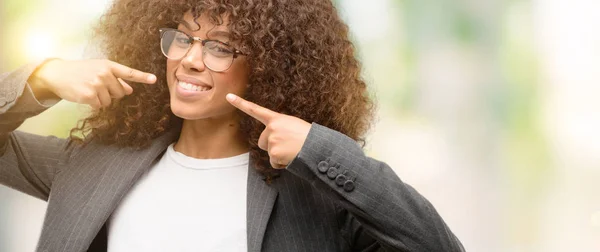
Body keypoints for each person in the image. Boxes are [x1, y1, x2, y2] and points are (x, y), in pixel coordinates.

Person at [0, 0, 465, 251]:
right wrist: (40, 79)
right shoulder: (91, 167)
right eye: (183, 37)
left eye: (221, 47)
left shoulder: (317, 200)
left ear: (270, 67)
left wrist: (324, 151)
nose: (189, 59)